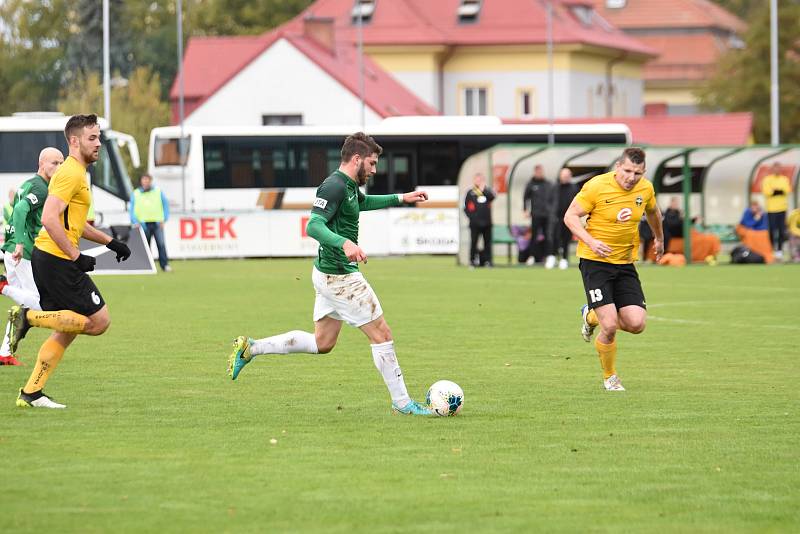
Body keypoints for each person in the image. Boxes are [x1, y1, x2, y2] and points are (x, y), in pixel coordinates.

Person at [226, 132, 433, 416]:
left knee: (322, 343)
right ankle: (403, 403)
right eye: (372, 164)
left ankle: (251, 348)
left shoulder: (348, 186)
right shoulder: (334, 186)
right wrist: (344, 242)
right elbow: (313, 225)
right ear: (357, 159)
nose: (374, 170)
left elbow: (363, 203)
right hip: (340, 277)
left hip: (326, 274)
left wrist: (401, 197)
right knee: (382, 333)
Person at [9, 114, 131, 409]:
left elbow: (75, 224)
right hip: (56, 259)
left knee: (69, 328)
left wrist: (110, 242)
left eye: (99, 137)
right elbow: (50, 219)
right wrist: (76, 258)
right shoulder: (71, 173)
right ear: (74, 142)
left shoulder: (77, 173)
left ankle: (31, 392)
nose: (98, 143)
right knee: (99, 321)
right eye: (92, 138)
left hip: (53, 258)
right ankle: (27, 317)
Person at [563, 147, 664, 391]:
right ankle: (610, 377)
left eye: (637, 173)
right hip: (595, 262)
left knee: (637, 324)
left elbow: (653, 212)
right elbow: (570, 217)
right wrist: (591, 241)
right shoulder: (596, 186)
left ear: (644, 172)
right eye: (627, 170)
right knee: (609, 326)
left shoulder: (646, 188)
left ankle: (591, 313)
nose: (631, 177)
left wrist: (659, 238)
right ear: (618, 167)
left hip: (625, 262)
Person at [0, 147, 64, 366]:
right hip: (23, 251)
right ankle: (3, 287)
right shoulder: (41, 187)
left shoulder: (28, 183)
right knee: (38, 305)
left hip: (12, 249)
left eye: (61, 163)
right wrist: (19, 243)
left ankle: (4, 353)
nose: (58, 167)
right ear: (42, 164)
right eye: (54, 163)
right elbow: (19, 211)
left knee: (23, 304)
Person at [130, 173, 171, 272]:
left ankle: (164, 265)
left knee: (161, 244)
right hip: (143, 224)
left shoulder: (157, 191)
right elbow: (132, 209)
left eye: (147, 180)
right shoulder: (135, 193)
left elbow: (165, 205)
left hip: (157, 223)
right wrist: (135, 221)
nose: (146, 182)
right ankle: (145, 266)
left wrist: (164, 219)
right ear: (141, 181)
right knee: (145, 246)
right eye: (144, 179)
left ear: (150, 181)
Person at [523, 164, 555, 267]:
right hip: (536, 214)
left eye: (541, 171)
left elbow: (553, 198)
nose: (539, 173)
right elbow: (525, 198)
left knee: (548, 236)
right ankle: (532, 256)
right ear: (535, 172)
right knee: (534, 236)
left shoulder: (548, 184)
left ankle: (548, 256)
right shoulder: (531, 184)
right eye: (537, 171)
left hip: (547, 215)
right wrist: (525, 210)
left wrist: (552, 210)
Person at [761, 162, 792, 260]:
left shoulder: (784, 179)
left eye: (779, 168)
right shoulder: (767, 179)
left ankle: (779, 250)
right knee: (772, 230)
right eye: (775, 168)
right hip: (771, 209)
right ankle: (771, 249)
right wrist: (778, 191)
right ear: (772, 169)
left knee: (782, 231)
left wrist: (775, 191)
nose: (777, 170)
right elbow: (767, 191)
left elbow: (787, 190)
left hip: (782, 208)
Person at [463, 173, 495, 267]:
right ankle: (472, 260)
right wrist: (472, 217)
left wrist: (483, 190)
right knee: (474, 242)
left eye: (480, 180)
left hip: (487, 222)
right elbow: (466, 208)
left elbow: (492, 197)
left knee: (487, 243)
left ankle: (487, 261)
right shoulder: (471, 192)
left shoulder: (487, 191)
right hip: (475, 223)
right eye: (477, 179)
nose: (478, 181)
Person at [550, 168, 578, 270]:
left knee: (566, 239)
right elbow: (549, 201)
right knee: (554, 238)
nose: (565, 177)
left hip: (569, 218)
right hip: (556, 218)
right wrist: (552, 212)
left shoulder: (574, 188)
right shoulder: (555, 187)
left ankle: (564, 259)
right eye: (563, 175)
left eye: (567, 175)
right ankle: (552, 257)